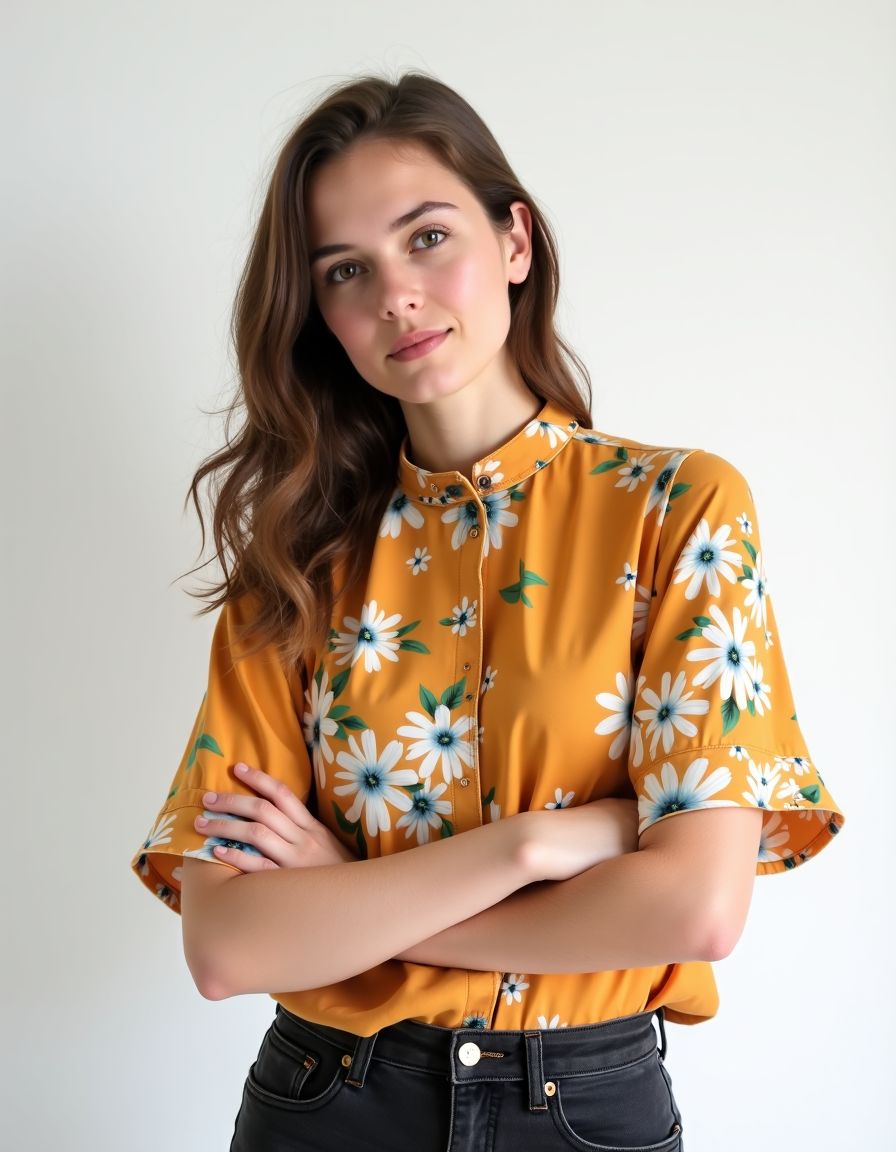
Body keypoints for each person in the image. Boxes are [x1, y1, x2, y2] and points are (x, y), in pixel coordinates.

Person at [131, 72, 844, 1151]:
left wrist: (354, 905)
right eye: (345, 271)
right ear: (320, 315)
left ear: (514, 240)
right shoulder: (297, 566)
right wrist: (536, 847)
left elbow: (695, 909)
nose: (396, 297)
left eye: (426, 237)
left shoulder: (678, 509)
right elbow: (229, 946)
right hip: (328, 1100)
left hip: (585, 1106)